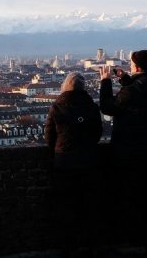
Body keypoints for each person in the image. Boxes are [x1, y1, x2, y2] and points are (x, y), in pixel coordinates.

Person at [99, 50, 147, 252]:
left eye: (130, 64)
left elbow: (108, 107)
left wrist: (106, 82)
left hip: (130, 151)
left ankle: (136, 243)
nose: (129, 66)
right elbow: (140, 92)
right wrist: (125, 79)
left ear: (136, 66)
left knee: (132, 196)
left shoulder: (132, 91)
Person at [44, 72, 103, 256]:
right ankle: (93, 246)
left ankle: (67, 248)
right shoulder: (92, 106)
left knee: (66, 207)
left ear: (65, 86)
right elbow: (97, 133)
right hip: (89, 162)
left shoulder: (57, 107)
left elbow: (49, 138)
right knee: (90, 207)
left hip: (65, 163)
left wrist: (60, 148)